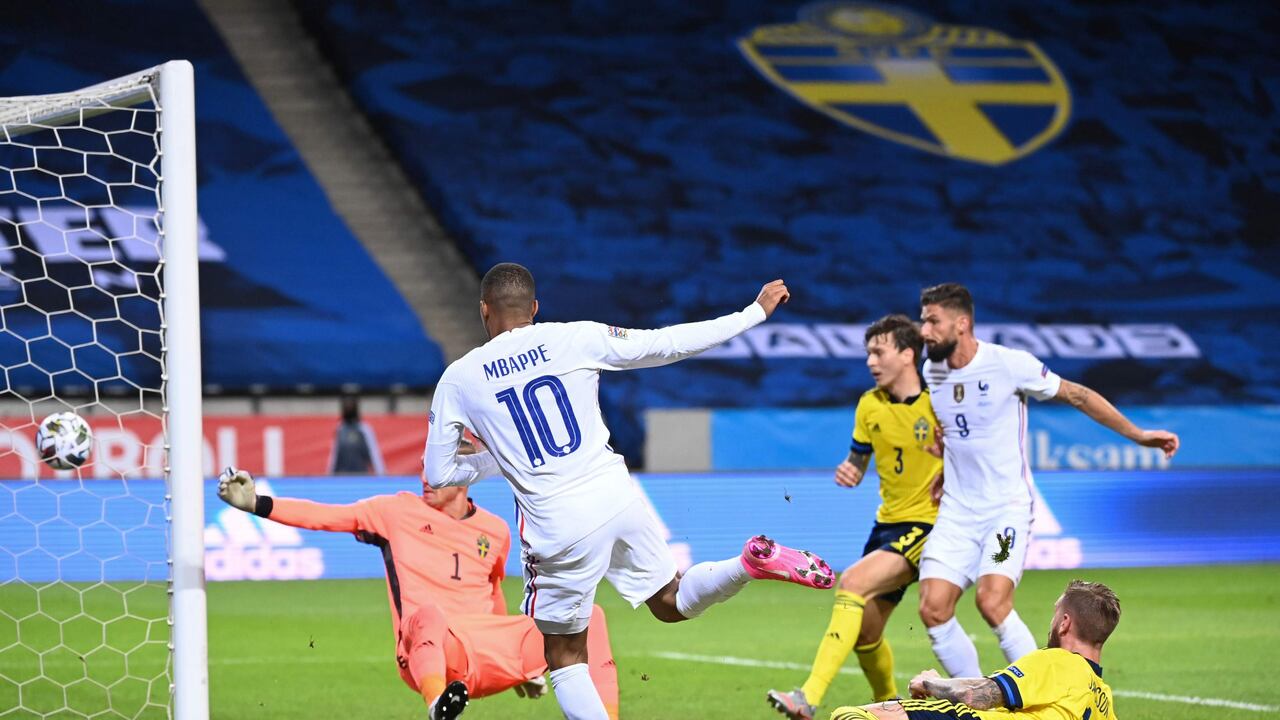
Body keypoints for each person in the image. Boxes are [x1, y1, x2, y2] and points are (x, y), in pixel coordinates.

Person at [424, 263, 835, 720]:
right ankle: (747, 564)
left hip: (558, 522)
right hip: (616, 496)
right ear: (534, 308)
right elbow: (667, 343)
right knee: (671, 600)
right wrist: (752, 313)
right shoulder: (575, 336)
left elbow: (438, 474)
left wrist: (497, 457)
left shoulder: (459, 378)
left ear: (484, 310)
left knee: (563, 655)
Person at [215, 452, 621, 720]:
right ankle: (438, 705)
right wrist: (257, 504)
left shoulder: (495, 530)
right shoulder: (394, 512)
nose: (425, 476)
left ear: (464, 475)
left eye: (436, 468)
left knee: (590, 617)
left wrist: (521, 669)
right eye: (424, 465)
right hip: (432, 653)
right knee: (428, 614)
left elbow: (493, 592)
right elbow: (327, 516)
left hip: (485, 650)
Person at [915, 283, 1177, 678]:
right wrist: (941, 468)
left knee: (992, 603)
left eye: (933, 321)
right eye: (923, 321)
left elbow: (1078, 395)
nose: (924, 331)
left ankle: (1048, 689)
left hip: (1004, 511)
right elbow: (954, 430)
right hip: (956, 511)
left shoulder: (1008, 364)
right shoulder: (931, 370)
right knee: (933, 608)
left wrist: (1138, 435)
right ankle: (972, 696)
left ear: (962, 323)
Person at [768, 315, 942, 719]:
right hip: (886, 526)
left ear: (907, 355)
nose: (870, 361)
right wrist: (851, 470)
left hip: (928, 525)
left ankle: (807, 697)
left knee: (853, 583)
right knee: (866, 633)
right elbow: (858, 460)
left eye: (879, 352)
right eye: (868, 353)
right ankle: (897, 709)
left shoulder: (939, 404)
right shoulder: (869, 404)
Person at [828, 579, 1120, 720]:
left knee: (849, 716)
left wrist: (930, 683)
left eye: (1056, 614)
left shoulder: (1058, 662)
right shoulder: (1104, 701)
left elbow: (977, 696)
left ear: (1065, 623)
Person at [328, 394, 386, 474]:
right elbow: (334, 456)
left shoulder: (364, 429)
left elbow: (374, 455)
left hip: (360, 475)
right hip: (342, 476)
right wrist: (330, 475)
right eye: (346, 406)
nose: (348, 408)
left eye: (350, 406)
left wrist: (381, 474)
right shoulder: (340, 429)